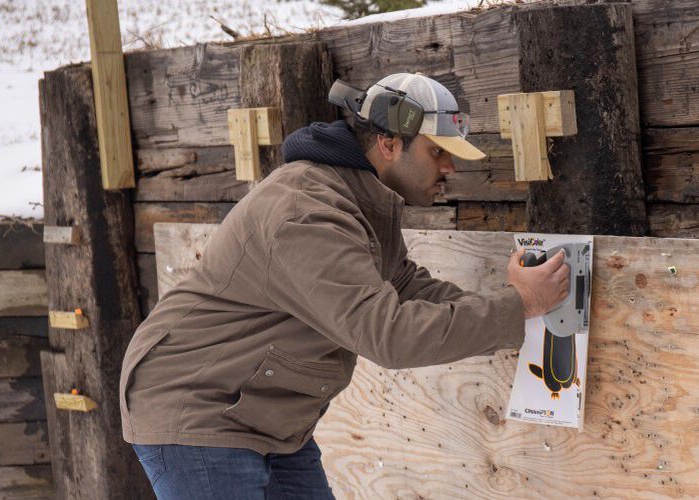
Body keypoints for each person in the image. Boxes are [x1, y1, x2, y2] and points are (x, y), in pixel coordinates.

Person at [118, 73, 569, 499]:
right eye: (437, 152)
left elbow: (406, 286)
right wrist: (519, 304)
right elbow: (390, 336)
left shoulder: (358, 199)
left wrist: (519, 307)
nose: (451, 166)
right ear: (389, 143)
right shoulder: (307, 212)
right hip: (198, 409)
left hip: (264, 412)